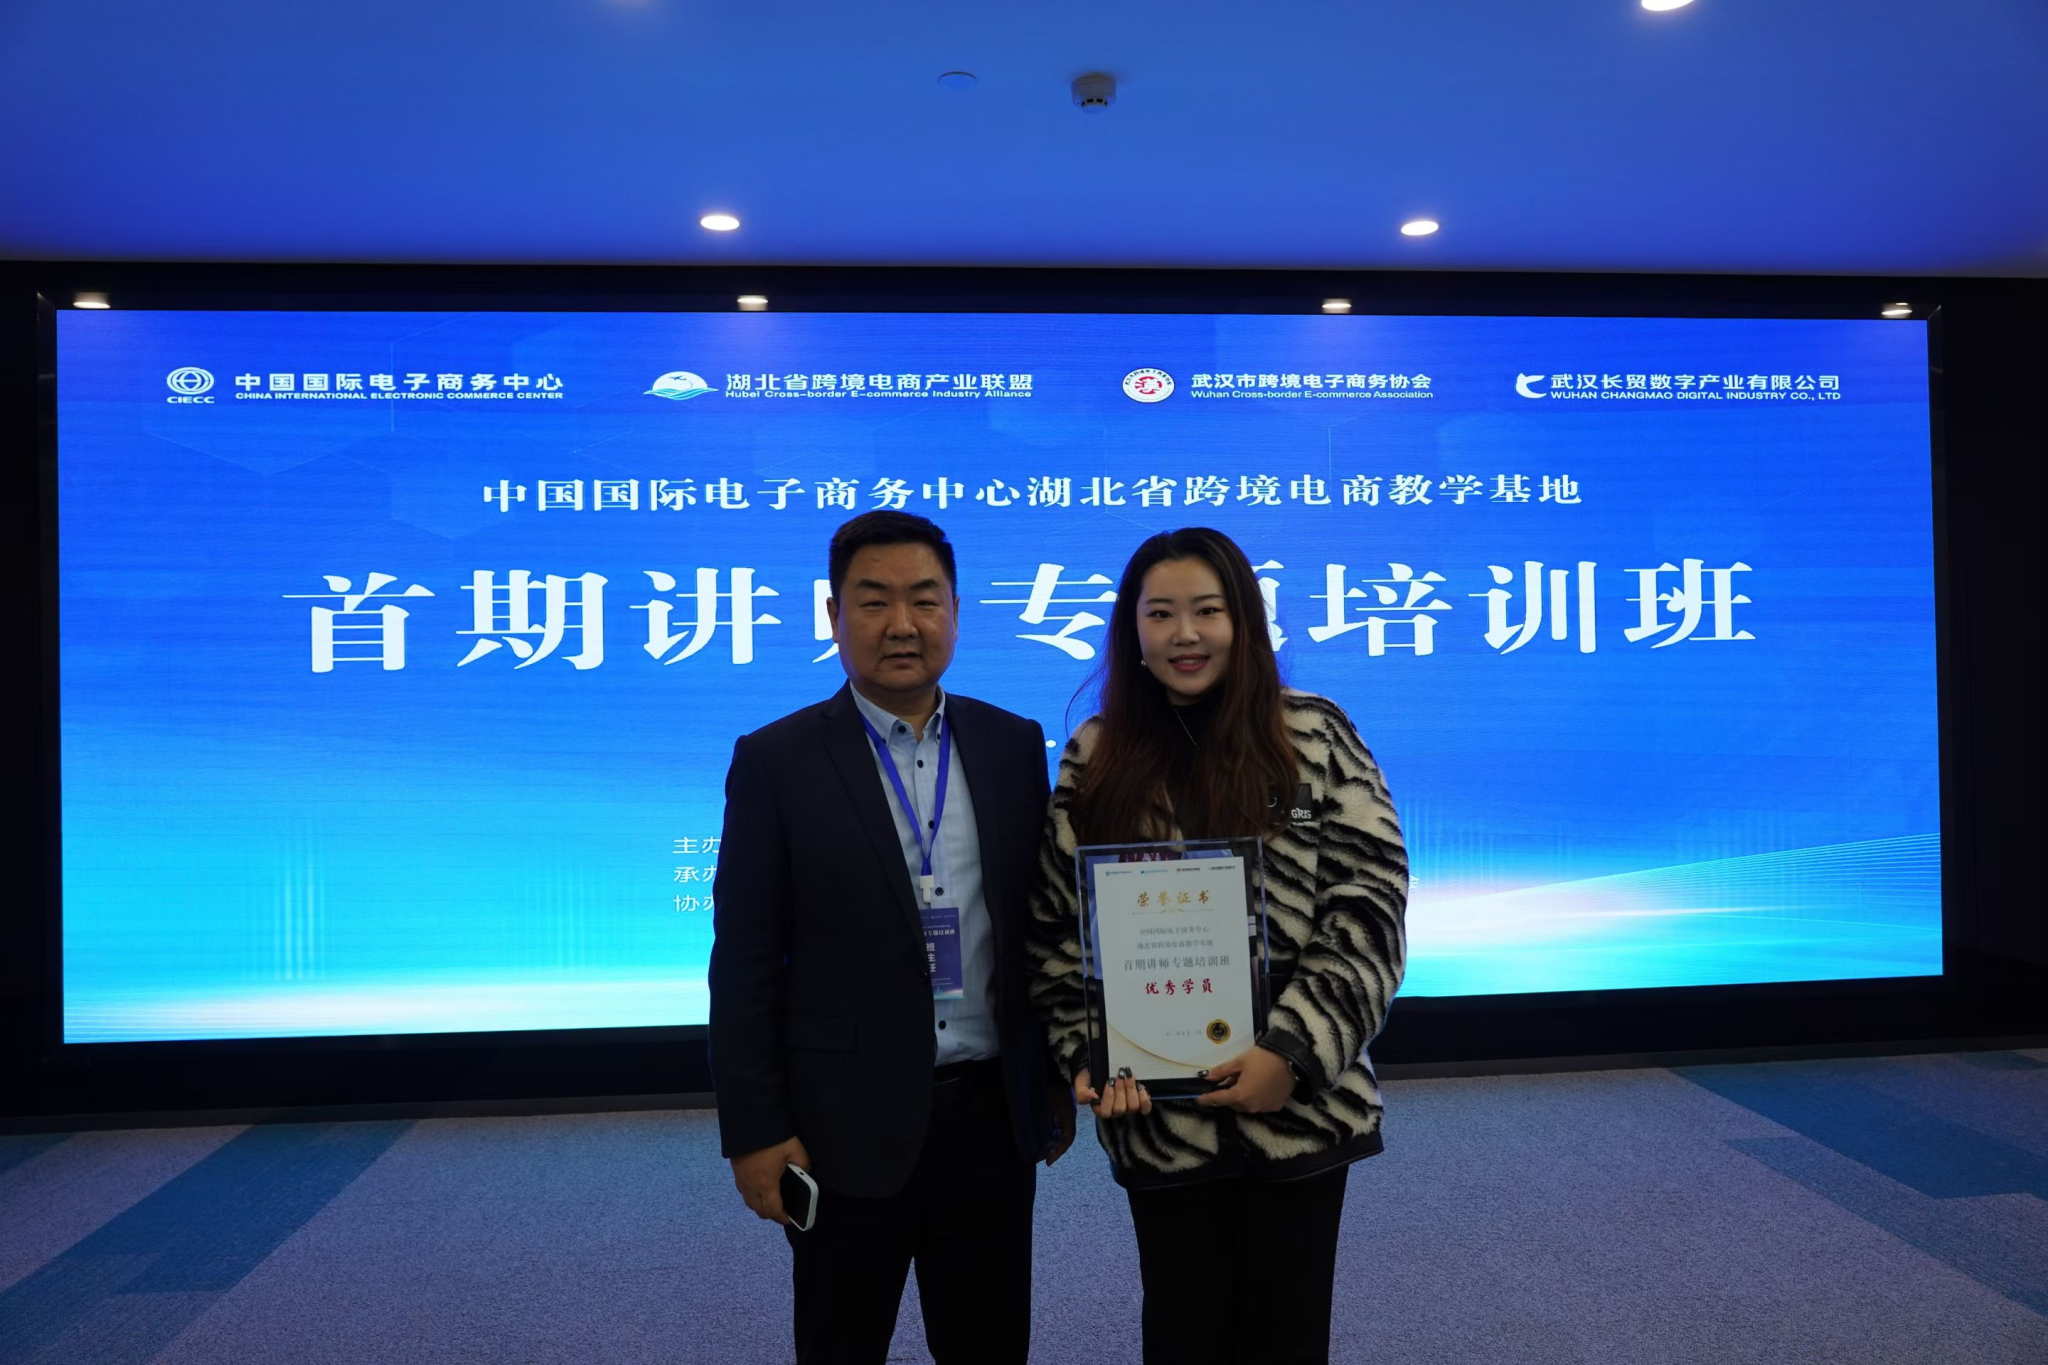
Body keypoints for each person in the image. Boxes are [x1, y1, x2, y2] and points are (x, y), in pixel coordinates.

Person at [1028, 526, 1408, 1365]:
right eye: (1160, 613)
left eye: (1207, 610)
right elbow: (1055, 930)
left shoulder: (1315, 734)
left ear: (1244, 620)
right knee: (1183, 1329)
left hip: (1302, 1111)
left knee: (1287, 1333)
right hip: (1161, 1118)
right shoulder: (1097, 755)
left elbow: (1370, 905)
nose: (1185, 634)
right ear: (1132, 630)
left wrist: (1291, 1053)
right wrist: (1088, 1054)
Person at [709, 510, 1075, 1365]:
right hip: (841, 1123)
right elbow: (745, 962)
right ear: (833, 614)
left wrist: (1051, 1079)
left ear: (956, 611)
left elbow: (1039, 925)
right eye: (873, 601)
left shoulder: (1011, 743)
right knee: (840, 1343)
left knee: (989, 1344)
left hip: (989, 1118)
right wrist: (754, 1129)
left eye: (925, 599)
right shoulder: (776, 759)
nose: (902, 624)